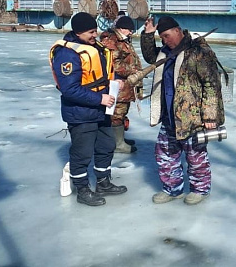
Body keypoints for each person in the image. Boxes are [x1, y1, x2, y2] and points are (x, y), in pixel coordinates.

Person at [140, 16, 225, 205]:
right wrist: (148, 35)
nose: (165, 40)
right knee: (165, 154)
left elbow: (211, 85)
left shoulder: (198, 52)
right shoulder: (165, 52)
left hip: (192, 117)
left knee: (195, 156)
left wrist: (210, 115)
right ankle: (172, 189)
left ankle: (200, 189)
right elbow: (149, 56)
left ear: (178, 30)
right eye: (161, 37)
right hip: (169, 116)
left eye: (167, 35)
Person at [49, 12, 127, 206]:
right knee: (82, 152)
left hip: (101, 110)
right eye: (91, 32)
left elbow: (104, 71)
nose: (95, 35)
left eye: (95, 31)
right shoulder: (67, 54)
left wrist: (116, 80)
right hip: (80, 112)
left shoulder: (95, 48)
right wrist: (99, 98)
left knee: (106, 146)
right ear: (79, 32)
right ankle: (82, 189)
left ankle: (103, 182)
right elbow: (69, 89)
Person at [99, 14, 141, 154]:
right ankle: (118, 144)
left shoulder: (122, 40)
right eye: (129, 30)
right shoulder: (112, 41)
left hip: (125, 84)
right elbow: (114, 65)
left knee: (122, 113)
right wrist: (134, 71)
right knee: (117, 114)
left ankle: (120, 138)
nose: (131, 33)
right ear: (122, 29)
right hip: (117, 85)